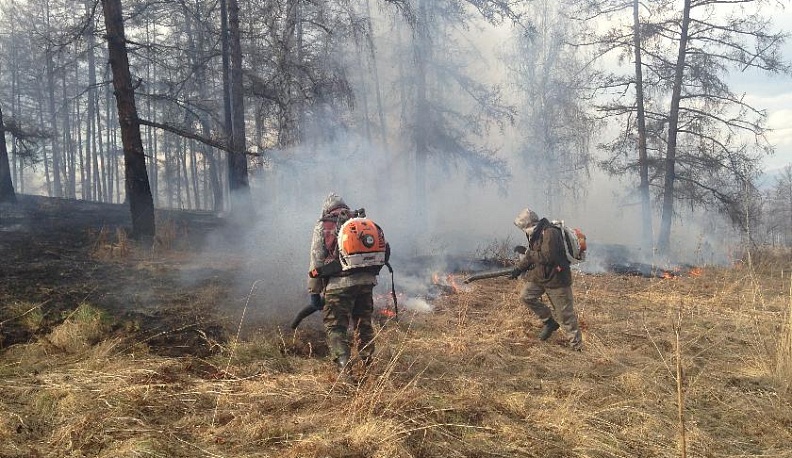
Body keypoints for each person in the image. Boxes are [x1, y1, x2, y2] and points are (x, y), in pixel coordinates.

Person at [307, 193, 379, 374]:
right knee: (364, 324)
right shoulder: (359, 221)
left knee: (336, 327)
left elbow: (316, 260)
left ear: (326, 208)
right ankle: (368, 366)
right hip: (365, 282)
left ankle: (344, 371)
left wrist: (314, 292)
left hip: (338, 285)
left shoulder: (323, 225)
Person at [511, 208, 583, 351]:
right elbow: (531, 256)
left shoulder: (550, 233)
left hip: (557, 279)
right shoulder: (535, 234)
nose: (523, 230)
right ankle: (549, 322)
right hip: (539, 276)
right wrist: (518, 268)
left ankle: (577, 348)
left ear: (531, 224)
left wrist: (528, 253)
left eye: (524, 227)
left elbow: (547, 257)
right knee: (526, 297)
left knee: (565, 316)